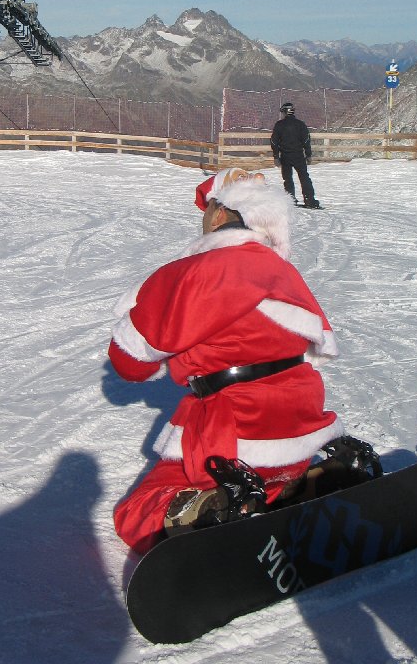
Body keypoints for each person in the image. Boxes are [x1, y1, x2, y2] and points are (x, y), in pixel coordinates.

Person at [108, 167, 344, 555]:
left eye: (206, 209)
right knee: (269, 478)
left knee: (137, 511)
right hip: (301, 415)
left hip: (233, 427)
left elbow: (130, 363)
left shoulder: (190, 272)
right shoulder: (284, 273)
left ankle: (210, 509)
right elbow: (320, 347)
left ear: (219, 214)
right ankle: (305, 483)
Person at [270, 102, 320, 208]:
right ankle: (309, 200)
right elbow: (306, 140)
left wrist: (276, 156)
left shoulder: (279, 125)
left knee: (288, 179)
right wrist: (308, 154)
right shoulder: (300, 124)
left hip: (285, 156)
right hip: (298, 156)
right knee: (304, 177)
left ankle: (291, 200)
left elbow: (274, 142)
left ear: (284, 112)